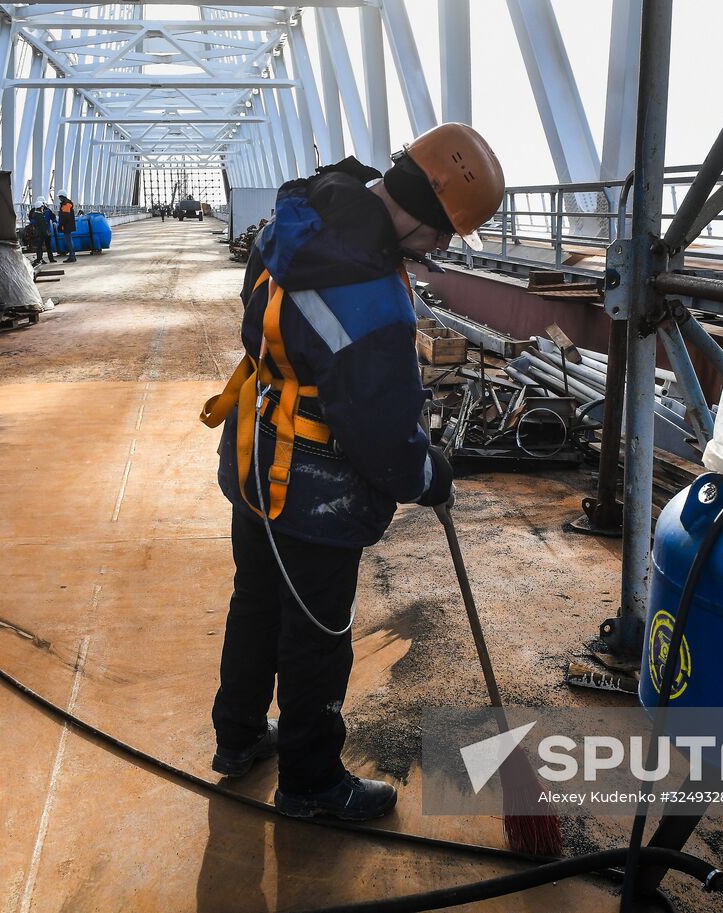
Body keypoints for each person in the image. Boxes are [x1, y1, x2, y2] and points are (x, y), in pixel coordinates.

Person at [200, 124, 505, 821]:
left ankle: (238, 737)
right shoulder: (372, 296)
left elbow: (261, 323)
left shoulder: (296, 218)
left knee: (256, 603)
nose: (441, 248)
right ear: (425, 207)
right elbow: (382, 436)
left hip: (256, 453)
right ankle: (310, 783)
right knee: (316, 635)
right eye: (444, 232)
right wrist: (428, 474)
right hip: (315, 489)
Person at [26, 198, 48, 266]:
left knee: (39, 247)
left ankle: (39, 259)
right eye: (42, 207)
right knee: (39, 247)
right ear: (40, 207)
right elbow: (43, 226)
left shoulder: (34, 215)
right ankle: (39, 259)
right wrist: (46, 234)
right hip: (40, 234)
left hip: (37, 233)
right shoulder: (40, 216)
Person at [57, 193, 78, 263]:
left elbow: (65, 216)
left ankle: (72, 256)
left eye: (60, 197)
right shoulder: (67, 203)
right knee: (69, 240)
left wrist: (60, 225)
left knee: (68, 241)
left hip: (67, 226)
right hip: (68, 225)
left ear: (63, 197)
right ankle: (72, 256)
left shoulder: (66, 204)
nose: (59, 199)